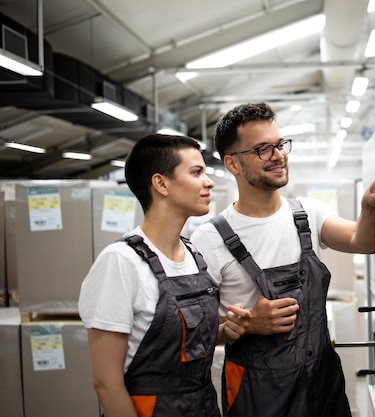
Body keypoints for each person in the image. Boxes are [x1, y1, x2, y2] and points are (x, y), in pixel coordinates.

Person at [189, 102, 375, 417]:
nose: (278, 155)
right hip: (258, 393)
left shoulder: (306, 213)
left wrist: (370, 205)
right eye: (263, 149)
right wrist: (250, 324)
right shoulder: (209, 241)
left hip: (322, 380)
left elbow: (363, 240)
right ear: (233, 164)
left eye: (280, 145)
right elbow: (193, 337)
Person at [78, 133, 250, 417]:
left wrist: (225, 331)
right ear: (161, 183)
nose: (209, 182)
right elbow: (107, 384)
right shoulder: (121, 262)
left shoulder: (194, 256)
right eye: (196, 172)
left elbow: (185, 347)